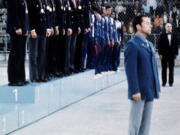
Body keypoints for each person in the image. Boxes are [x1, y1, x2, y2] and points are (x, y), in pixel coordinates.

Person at [124, 15, 160, 135]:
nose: (150, 25)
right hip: (138, 92)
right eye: (147, 23)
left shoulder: (149, 44)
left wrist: (156, 87)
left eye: (150, 23)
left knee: (146, 126)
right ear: (138, 26)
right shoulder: (132, 44)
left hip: (150, 90)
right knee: (134, 126)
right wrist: (134, 90)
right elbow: (130, 70)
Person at [6, 0, 29, 86]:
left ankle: (21, 78)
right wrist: (17, 27)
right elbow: (13, 12)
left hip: (23, 29)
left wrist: (26, 28)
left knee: (21, 54)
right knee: (15, 54)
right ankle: (13, 79)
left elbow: (25, 15)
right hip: (16, 29)